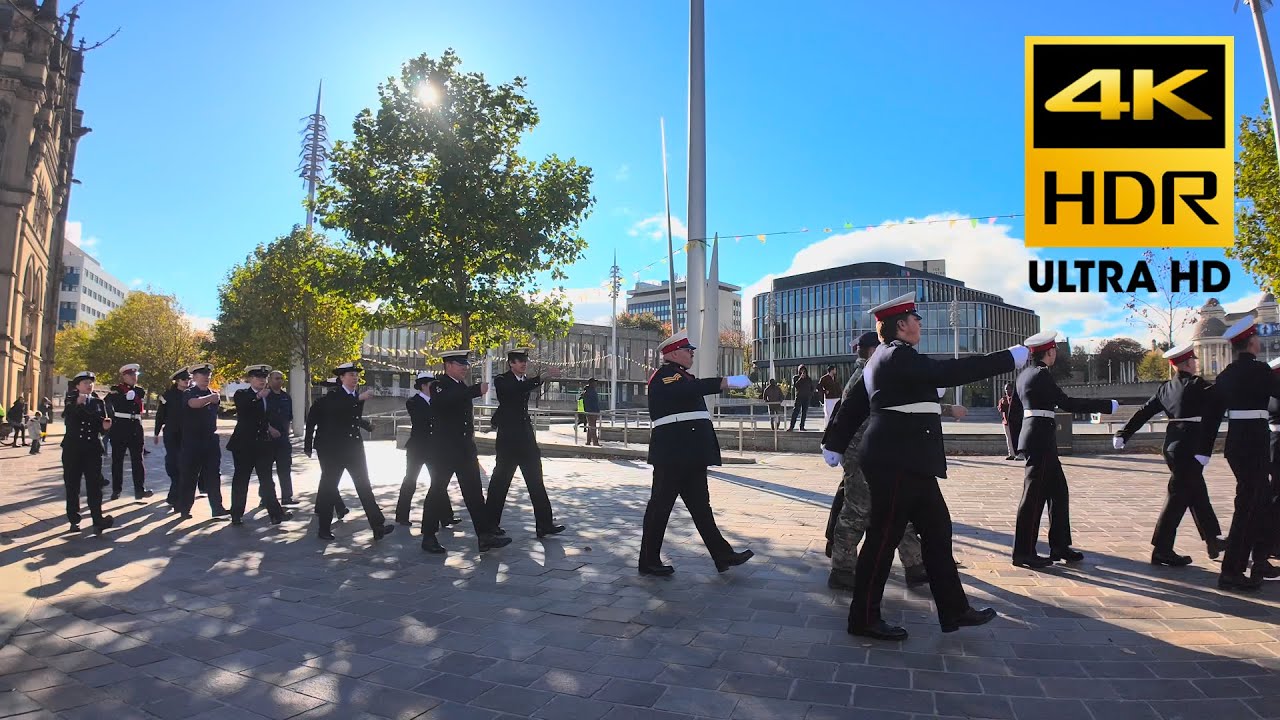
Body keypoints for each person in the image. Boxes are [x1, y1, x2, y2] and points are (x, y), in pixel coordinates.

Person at [822, 292, 1026, 641]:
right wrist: (1008, 357)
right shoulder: (896, 355)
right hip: (896, 461)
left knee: (937, 532)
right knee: (883, 539)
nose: (920, 323)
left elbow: (853, 405)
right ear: (901, 325)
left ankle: (954, 609)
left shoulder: (883, 359)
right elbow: (949, 371)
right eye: (915, 318)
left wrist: (835, 442)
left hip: (909, 461)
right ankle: (863, 618)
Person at [825, 331, 935, 591]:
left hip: (880, 454)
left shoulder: (874, 373)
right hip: (861, 456)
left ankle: (915, 564)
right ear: (873, 351)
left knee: (898, 508)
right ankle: (842, 569)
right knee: (856, 512)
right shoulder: (867, 375)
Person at [638, 330, 754, 576]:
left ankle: (722, 555)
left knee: (701, 508)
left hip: (689, 454)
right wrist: (727, 381)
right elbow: (690, 390)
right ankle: (648, 561)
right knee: (660, 507)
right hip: (673, 454)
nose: (692, 354)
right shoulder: (666, 376)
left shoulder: (682, 376)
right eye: (687, 350)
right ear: (673, 354)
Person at [1113, 344, 1226, 567]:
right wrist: (1205, 450)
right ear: (1188, 363)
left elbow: (1144, 412)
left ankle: (1213, 540)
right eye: (1193, 361)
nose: (1195, 364)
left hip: (1172, 447)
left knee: (1196, 492)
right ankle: (1162, 550)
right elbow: (1217, 408)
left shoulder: (1165, 388)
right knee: (1177, 498)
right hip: (1191, 448)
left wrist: (1124, 433)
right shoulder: (1198, 385)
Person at [1013, 331, 1117, 568]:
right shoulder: (1041, 375)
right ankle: (1023, 552)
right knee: (1034, 497)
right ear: (1049, 352)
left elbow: (1015, 412)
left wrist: (1019, 442)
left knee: (1059, 492)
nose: (1055, 354)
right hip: (1041, 439)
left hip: (1037, 438)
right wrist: (1105, 405)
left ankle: (1059, 546)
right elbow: (1067, 402)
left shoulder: (1024, 375)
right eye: (1054, 351)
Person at [1199, 316, 1280, 591]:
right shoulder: (1260, 371)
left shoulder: (1226, 375)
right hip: (1255, 443)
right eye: (1256, 338)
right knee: (1248, 506)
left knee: (1261, 501)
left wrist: (1204, 451)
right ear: (1252, 342)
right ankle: (1231, 571)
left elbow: (1211, 416)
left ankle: (1260, 559)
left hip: (1236, 443)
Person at [421, 350, 510, 553]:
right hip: (444, 450)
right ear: (448, 365)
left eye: (466, 364)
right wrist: (475, 390)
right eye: (461, 364)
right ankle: (428, 536)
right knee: (437, 491)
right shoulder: (438, 385)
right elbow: (447, 400)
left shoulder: (461, 386)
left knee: (474, 494)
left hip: (465, 449)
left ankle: (484, 536)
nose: (465, 368)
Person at [307, 361, 395, 542]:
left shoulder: (355, 395)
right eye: (351, 375)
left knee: (364, 486)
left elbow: (351, 417)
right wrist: (308, 445)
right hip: (334, 450)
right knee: (329, 487)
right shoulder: (334, 396)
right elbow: (337, 409)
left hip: (354, 447)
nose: (355, 378)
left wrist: (366, 425)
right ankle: (324, 529)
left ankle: (378, 526)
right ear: (341, 378)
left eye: (356, 375)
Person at [487, 348, 565, 538]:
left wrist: (539, 379)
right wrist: (541, 378)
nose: (524, 364)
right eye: (519, 361)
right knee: (500, 483)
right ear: (511, 363)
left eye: (525, 361)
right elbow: (514, 390)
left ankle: (544, 524)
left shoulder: (524, 381)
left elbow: (523, 389)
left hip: (526, 438)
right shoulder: (502, 380)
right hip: (508, 440)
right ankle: (490, 525)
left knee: (536, 481)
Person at [227, 365, 292, 526]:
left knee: (267, 480)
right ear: (250, 379)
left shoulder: (269, 396)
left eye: (264, 377)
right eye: (258, 377)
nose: (262, 380)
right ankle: (236, 514)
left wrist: (272, 429)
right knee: (241, 479)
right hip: (244, 444)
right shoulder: (242, 393)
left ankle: (276, 514)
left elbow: (269, 416)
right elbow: (244, 410)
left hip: (263, 444)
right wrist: (257, 397)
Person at [394, 371, 457, 528]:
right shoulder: (413, 402)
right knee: (410, 480)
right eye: (431, 385)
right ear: (423, 386)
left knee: (438, 481)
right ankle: (402, 515)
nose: (435, 388)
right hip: (417, 447)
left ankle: (446, 516)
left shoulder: (438, 401)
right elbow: (421, 419)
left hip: (434, 448)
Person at [60, 371, 114, 535]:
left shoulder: (98, 402)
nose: (89, 385)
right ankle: (74, 519)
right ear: (77, 386)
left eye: (91, 383)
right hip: (73, 449)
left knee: (95, 486)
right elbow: (68, 418)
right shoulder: (71, 399)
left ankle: (98, 520)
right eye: (85, 383)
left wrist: (105, 427)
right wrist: (77, 404)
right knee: (72, 485)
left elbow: (101, 426)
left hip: (92, 449)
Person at [176, 364, 229, 520]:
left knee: (213, 475)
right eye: (203, 375)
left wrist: (211, 397)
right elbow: (193, 403)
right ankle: (185, 508)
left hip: (210, 439)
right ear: (194, 377)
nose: (206, 377)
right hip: (192, 440)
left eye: (208, 375)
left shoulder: (213, 394)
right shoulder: (189, 392)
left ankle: (217, 508)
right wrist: (209, 399)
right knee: (190, 475)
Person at [104, 364, 153, 500]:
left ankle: (139, 490)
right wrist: (122, 398)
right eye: (131, 375)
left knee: (138, 460)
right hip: (120, 426)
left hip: (135, 426)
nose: (133, 377)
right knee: (117, 460)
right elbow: (108, 403)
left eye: (135, 375)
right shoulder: (116, 390)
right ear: (124, 376)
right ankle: (116, 490)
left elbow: (138, 404)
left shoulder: (140, 391)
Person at [304, 378, 350, 521]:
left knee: (327, 476)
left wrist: (308, 446)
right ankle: (339, 507)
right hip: (337, 445)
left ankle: (320, 507)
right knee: (329, 478)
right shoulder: (342, 403)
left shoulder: (320, 402)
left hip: (323, 445)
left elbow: (310, 425)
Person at [155, 367, 191, 508]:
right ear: (177, 381)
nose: (187, 381)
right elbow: (160, 415)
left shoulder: (192, 394)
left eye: (188, 379)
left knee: (184, 465)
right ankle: (174, 494)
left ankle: (175, 496)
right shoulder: (168, 395)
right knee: (173, 462)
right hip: (171, 433)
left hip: (187, 434)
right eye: (184, 379)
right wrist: (156, 432)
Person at [265, 370, 299, 507]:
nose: (279, 381)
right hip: (267, 439)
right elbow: (260, 416)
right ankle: (266, 498)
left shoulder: (286, 397)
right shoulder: (265, 396)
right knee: (266, 470)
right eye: (276, 378)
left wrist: (288, 432)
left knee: (285, 468)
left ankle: (287, 496)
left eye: (281, 378)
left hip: (283, 439)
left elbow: (289, 416)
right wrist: (269, 429)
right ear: (269, 380)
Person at [997, 382, 1025, 461]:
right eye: (1006, 389)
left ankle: (1019, 453)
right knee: (1009, 439)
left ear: (1013, 390)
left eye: (1009, 389)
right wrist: (1003, 404)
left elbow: (1018, 409)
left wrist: (1009, 403)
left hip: (1016, 422)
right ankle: (1011, 454)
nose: (1007, 391)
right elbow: (1000, 409)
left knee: (1016, 438)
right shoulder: (1003, 399)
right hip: (1006, 422)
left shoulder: (1017, 399)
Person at [788, 365, 814, 431]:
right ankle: (791, 427)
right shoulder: (796, 377)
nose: (803, 372)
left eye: (804, 371)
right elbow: (796, 385)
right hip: (799, 397)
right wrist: (800, 378)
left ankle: (802, 426)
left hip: (806, 397)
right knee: (796, 411)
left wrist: (810, 394)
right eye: (801, 370)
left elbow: (812, 387)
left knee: (804, 412)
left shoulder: (808, 379)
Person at [581, 379, 601, 446]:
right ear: (591, 383)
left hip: (591, 411)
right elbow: (592, 403)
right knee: (593, 427)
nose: (596, 384)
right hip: (591, 412)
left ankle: (588, 441)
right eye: (595, 382)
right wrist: (595, 411)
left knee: (591, 426)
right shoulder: (590, 392)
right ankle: (595, 442)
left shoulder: (590, 391)